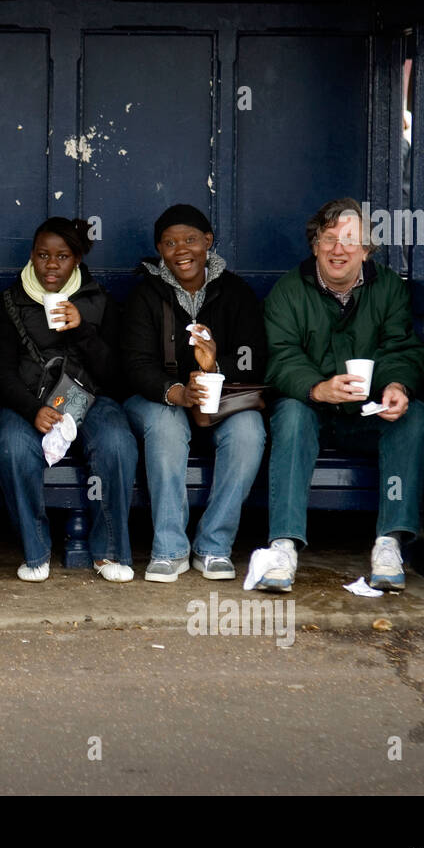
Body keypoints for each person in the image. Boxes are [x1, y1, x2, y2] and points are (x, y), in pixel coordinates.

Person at [252, 196, 424, 593]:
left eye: (351, 240)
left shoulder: (388, 288)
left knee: (414, 416)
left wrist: (396, 387)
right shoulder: (288, 290)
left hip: (365, 415)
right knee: (291, 415)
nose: (339, 249)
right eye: (329, 238)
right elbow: (280, 357)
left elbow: (401, 348)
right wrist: (318, 389)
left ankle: (389, 542)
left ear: (366, 249)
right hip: (314, 409)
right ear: (314, 243)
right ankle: (282, 546)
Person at [122, 204, 267, 582]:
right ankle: (169, 549)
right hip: (160, 399)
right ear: (159, 250)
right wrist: (175, 392)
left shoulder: (235, 291)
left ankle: (214, 546)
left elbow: (254, 357)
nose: (181, 250)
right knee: (166, 425)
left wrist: (215, 366)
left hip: (219, 397)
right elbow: (134, 366)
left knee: (249, 429)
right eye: (170, 243)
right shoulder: (146, 294)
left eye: (190, 240)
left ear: (208, 242)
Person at [0, 217, 137, 582]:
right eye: (43, 255)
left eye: (63, 256)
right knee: (11, 446)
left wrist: (82, 329)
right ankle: (36, 551)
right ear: (32, 256)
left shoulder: (97, 301)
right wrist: (31, 409)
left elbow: (116, 377)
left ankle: (109, 550)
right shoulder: (8, 303)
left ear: (77, 260)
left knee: (117, 442)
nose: (51, 264)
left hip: (89, 400)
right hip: (27, 401)